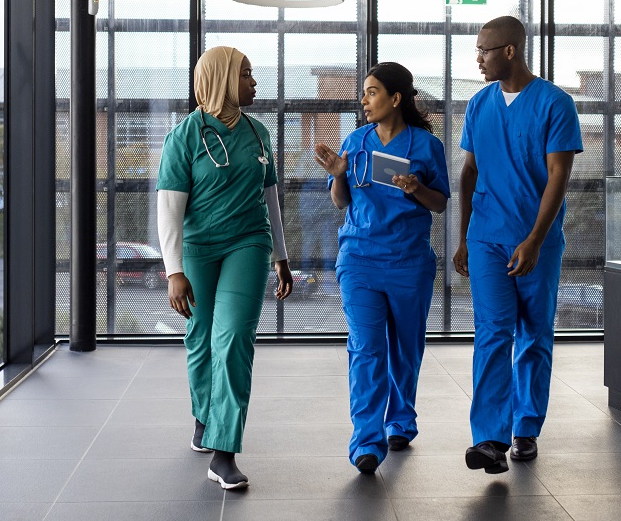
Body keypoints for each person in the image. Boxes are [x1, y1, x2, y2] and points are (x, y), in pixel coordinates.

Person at [156, 46, 293, 490]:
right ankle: (204, 415)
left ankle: (223, 450)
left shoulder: (259, 133)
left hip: (248, 243)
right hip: (197, 248)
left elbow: (270, 199)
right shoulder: (184, 137)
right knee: (200, 338)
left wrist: (281, 256)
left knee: (232, 338)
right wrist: (174, 270)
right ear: (219, 80)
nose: (255, 83)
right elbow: (169, 210)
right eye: (246, 75)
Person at [453, 16, 582, 474]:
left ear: (510, 51)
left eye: (484, 50)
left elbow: (558, 176)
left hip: (537, 241)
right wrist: (465, 236)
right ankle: (489, 438)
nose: (478, 59)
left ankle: (526, 426)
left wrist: (533, 239)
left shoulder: (555, 103)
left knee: (533, 335)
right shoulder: (478, 104)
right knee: (492, 331)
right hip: (487, 236)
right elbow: (469, 173)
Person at [313, 62, 450, 474]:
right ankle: (366, 441)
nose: (363, 100)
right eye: (364, 92)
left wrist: (417, 188)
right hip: (359, 260)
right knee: (367, 349)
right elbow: (341, 202)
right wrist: (339, 175)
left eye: (372, 92)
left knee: (405, 349)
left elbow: (440, 203)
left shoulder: (427, 146)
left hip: (409, 263)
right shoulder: (355, 141)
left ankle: (401, 420)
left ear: (395, 98)